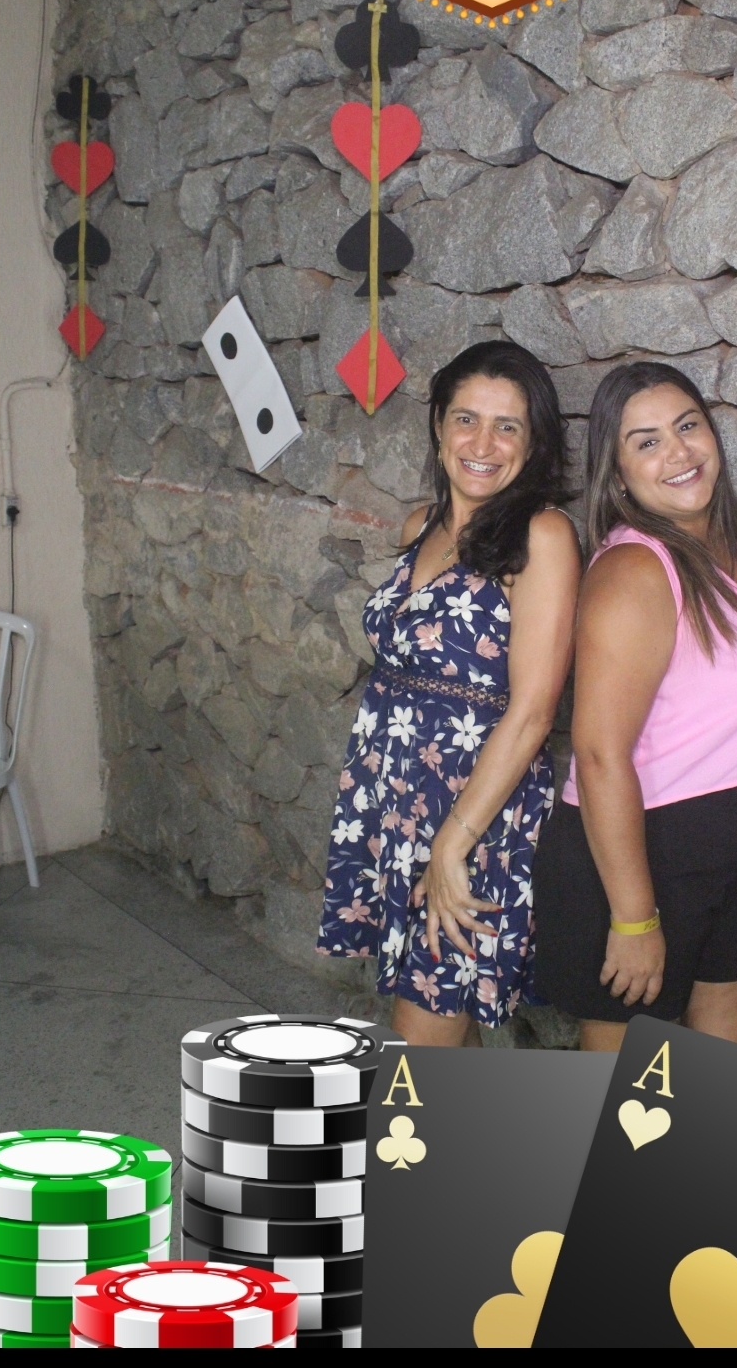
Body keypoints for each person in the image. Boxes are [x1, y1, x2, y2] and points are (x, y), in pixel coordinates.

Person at [533, 362, 737, 1053]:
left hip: (714, 858)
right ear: (617, 474)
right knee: (624, 1101)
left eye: (687, 426)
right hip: (637, 861)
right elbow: (598, 753)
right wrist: (634, 920)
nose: (679, 451)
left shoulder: (736, 550)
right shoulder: (634, 570)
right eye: (647, 442)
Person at [317, 341, 582, 1046]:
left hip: (474, 814)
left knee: (419, 1043)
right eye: (466, 419)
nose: (483, 444)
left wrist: (450, 845)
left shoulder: (542, 536)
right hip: (395, 799)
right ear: (438, 426)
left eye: (507, 426)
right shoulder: (420, 527)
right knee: (440, 1026)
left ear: (534, 442)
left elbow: (533, 712)